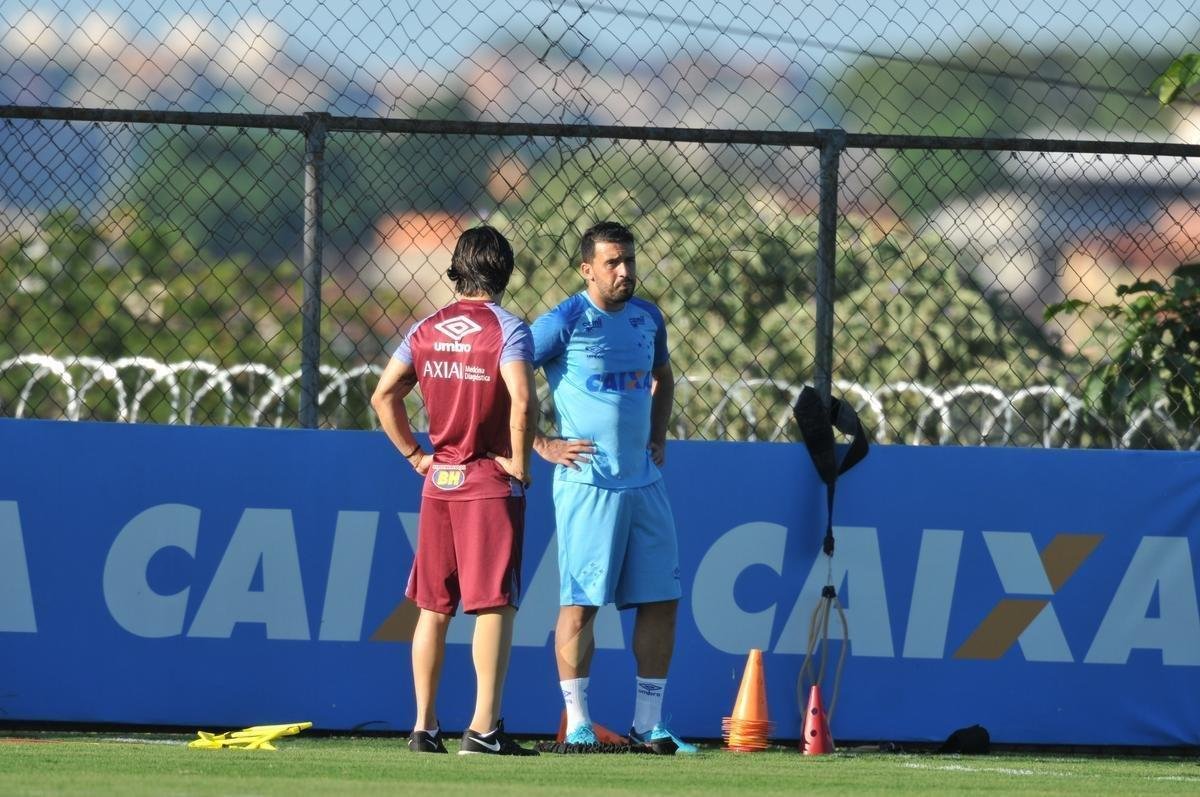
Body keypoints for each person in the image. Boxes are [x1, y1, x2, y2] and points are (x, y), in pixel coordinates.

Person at [530, 221, 697, 755]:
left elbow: (664, 378)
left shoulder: (649, 317)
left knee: (662, 599)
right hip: (588, 484)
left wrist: (657, 436)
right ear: (587, 269)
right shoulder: (564, 320)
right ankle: (578, 722)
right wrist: (540, 443)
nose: (624, 271)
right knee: (581, 603)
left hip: (644, 483)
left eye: (628, 260)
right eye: (612, 263)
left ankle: (648, 725)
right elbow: (504, 375)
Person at [371, 225, 539, 757]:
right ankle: (483, 729)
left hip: (438, 481)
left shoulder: (425, 327)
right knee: (493, 606)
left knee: (433, 608)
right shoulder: (509, 329)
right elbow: (522, 397)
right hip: (488, 482)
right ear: (505, 272)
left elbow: (383, 395)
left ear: (456, 269)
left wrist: (415, 455)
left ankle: (424, 727)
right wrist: (520, 459)